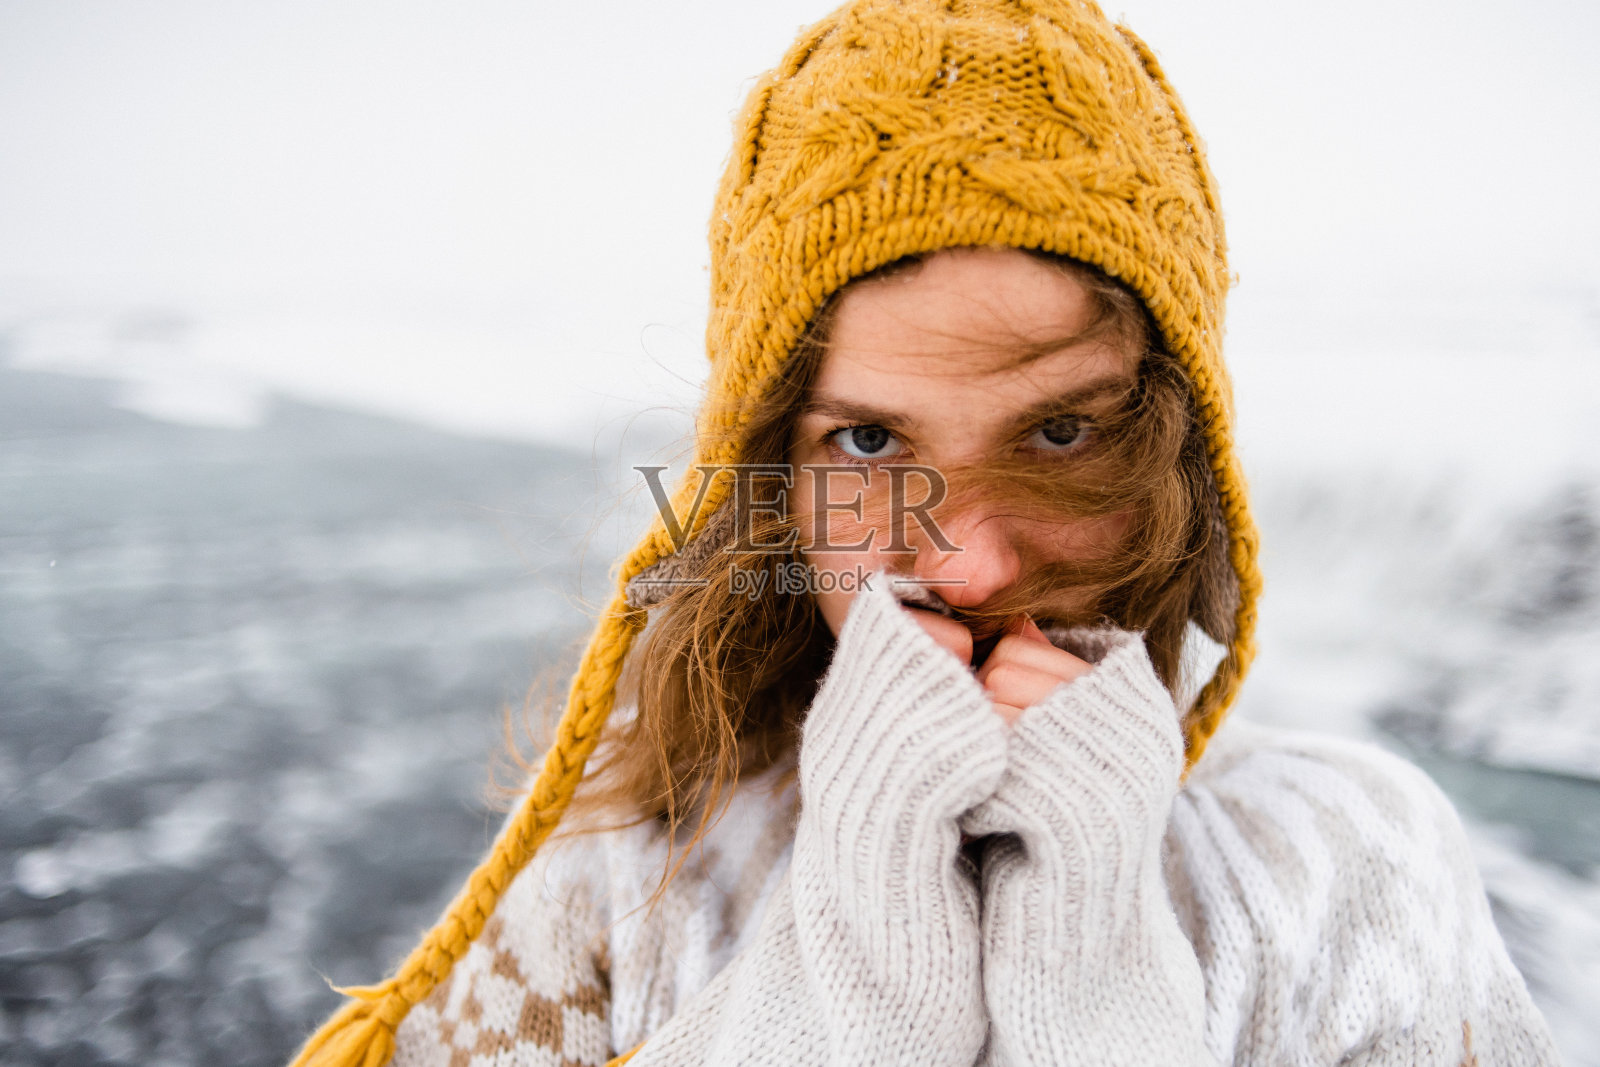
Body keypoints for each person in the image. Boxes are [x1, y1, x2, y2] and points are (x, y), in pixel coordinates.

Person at [291, 0, 1560, 1064]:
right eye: (867, 442)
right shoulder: (625, 874)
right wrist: (849, 979)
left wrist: (1097, 994)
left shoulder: (1352, 864)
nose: (972, 562)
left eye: (1060, 432)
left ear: (1176, 452)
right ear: (770, 474)